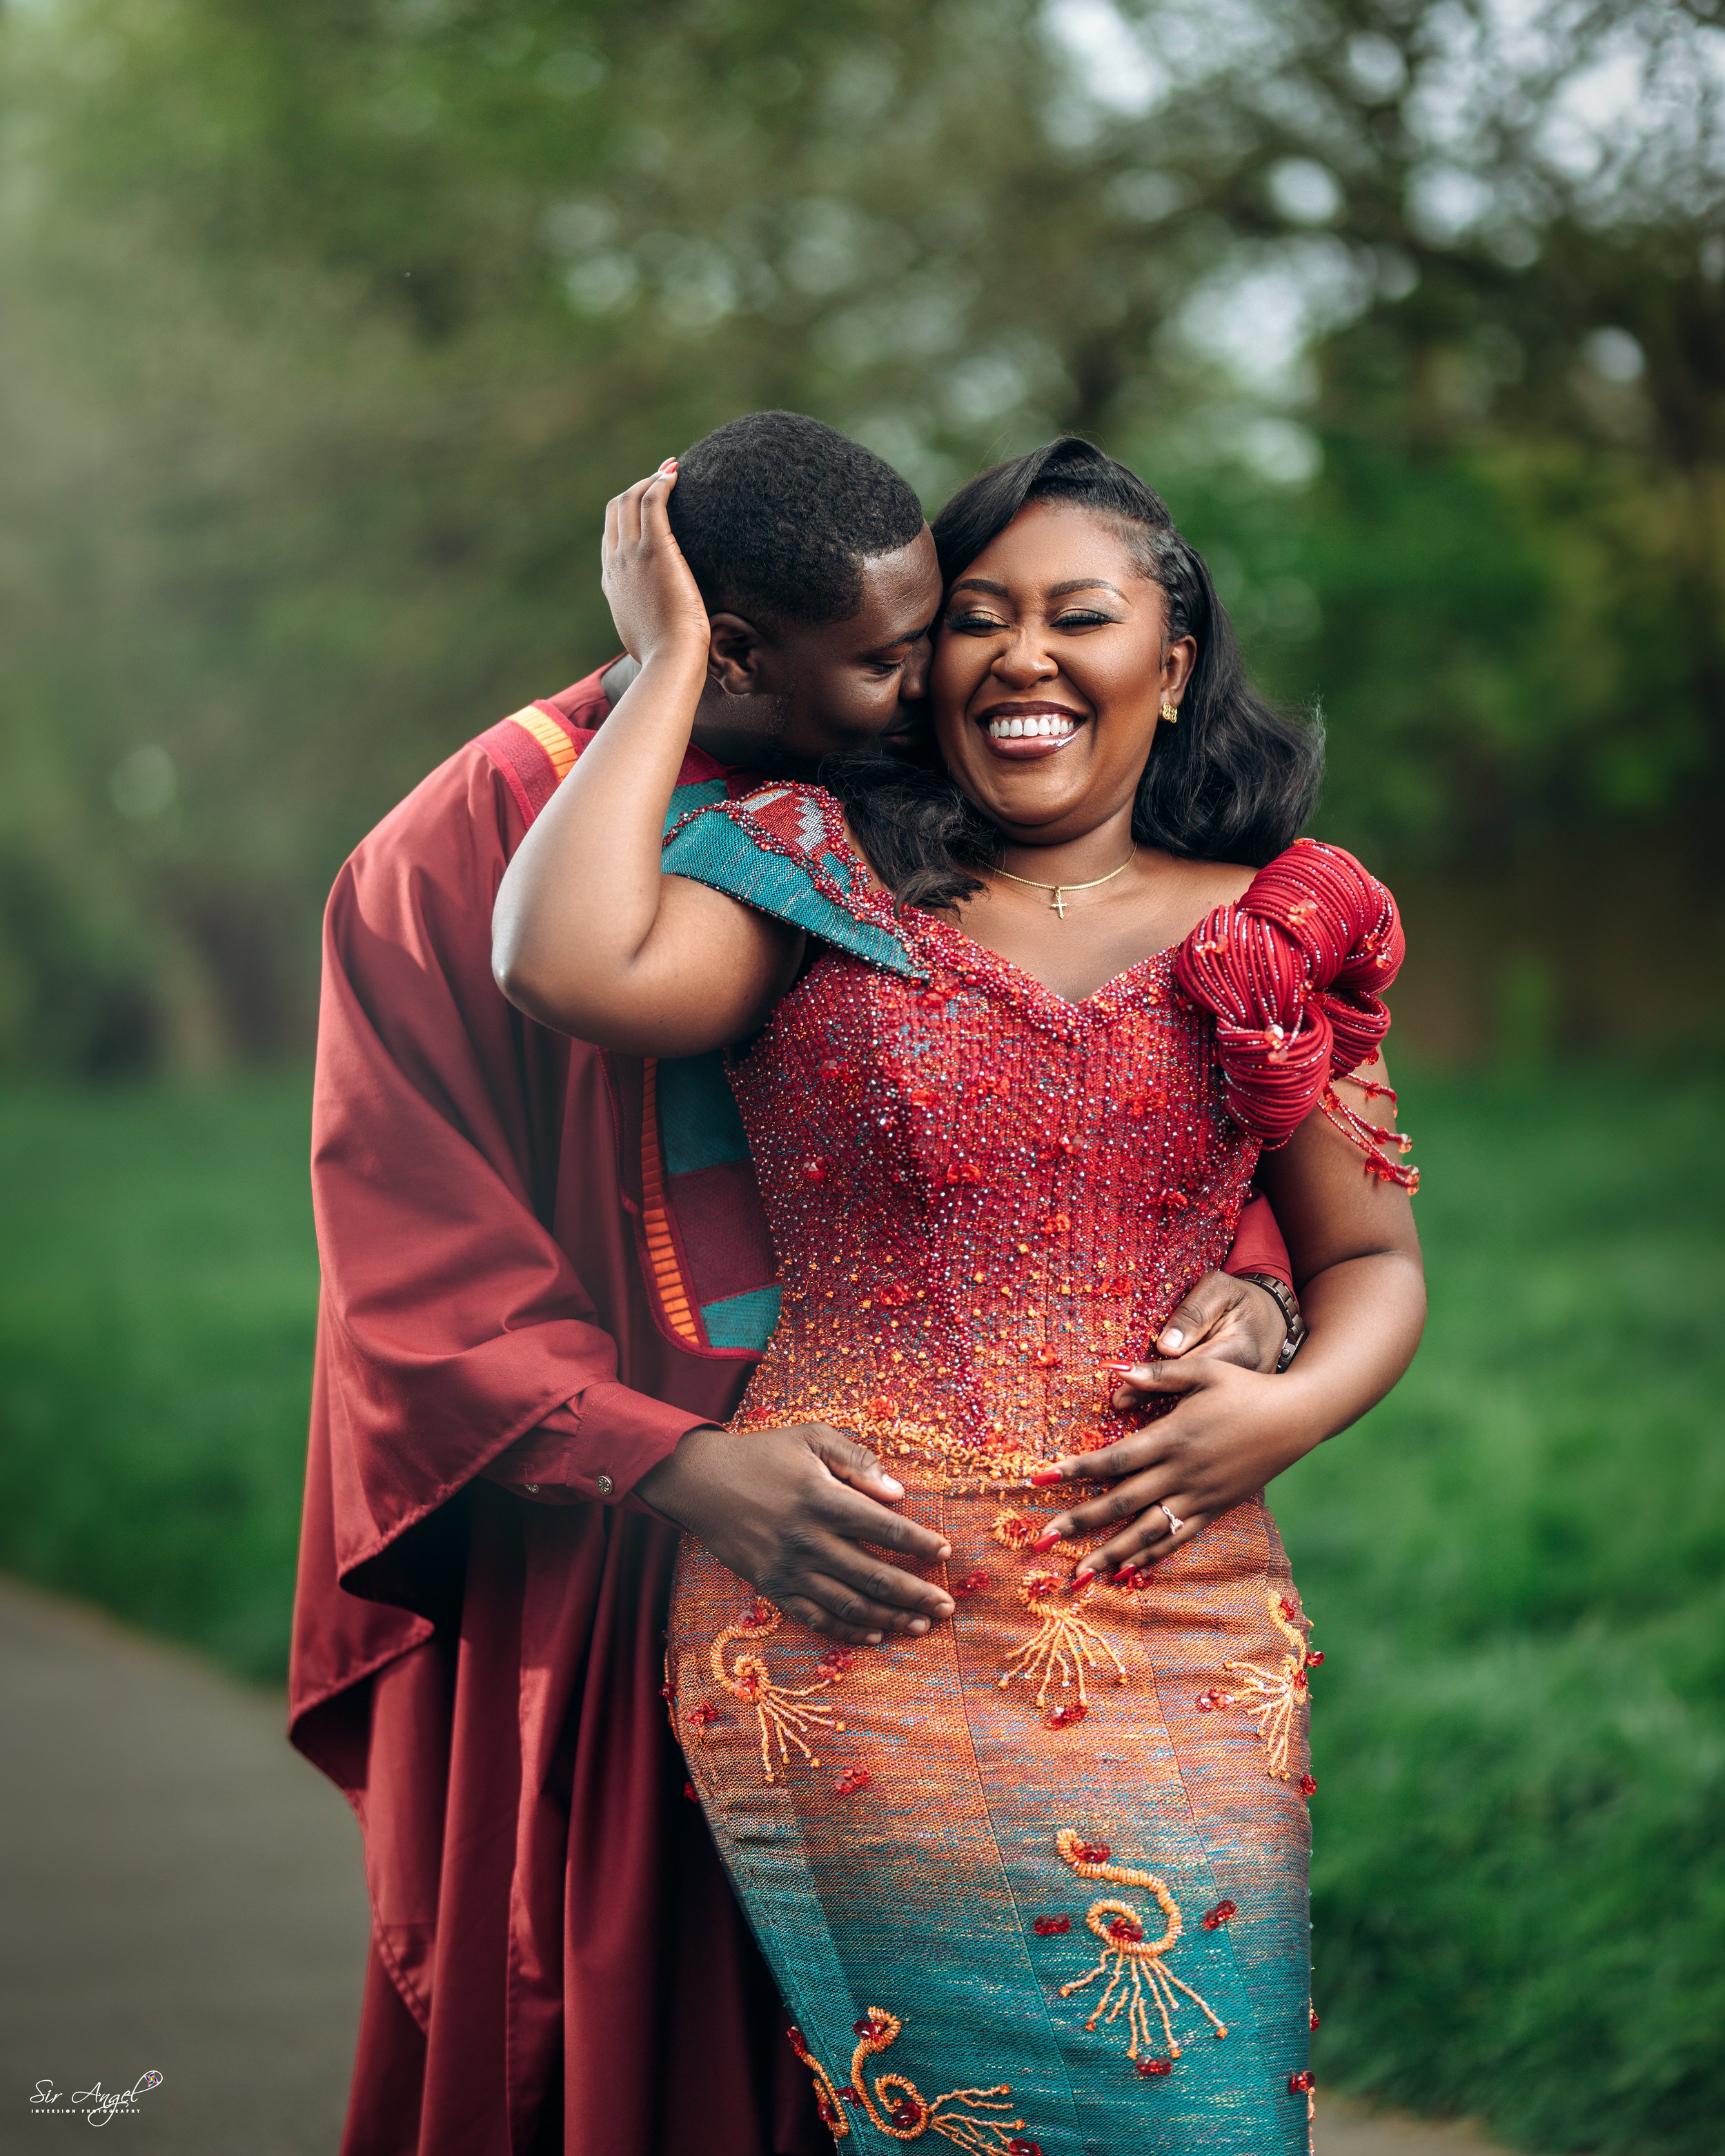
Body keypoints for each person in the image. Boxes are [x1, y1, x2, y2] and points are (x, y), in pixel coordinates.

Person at [291, 415, 1297, 2156]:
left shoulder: (890, 785)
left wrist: (1254, 1283)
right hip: (626, 1544)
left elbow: (1095, 1086)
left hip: (965, 1574)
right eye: (896, 654)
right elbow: (409, 1263)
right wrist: (681, 1469)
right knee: (659, 2052)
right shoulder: (455, 857)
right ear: (736, 647)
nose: (937, 690)